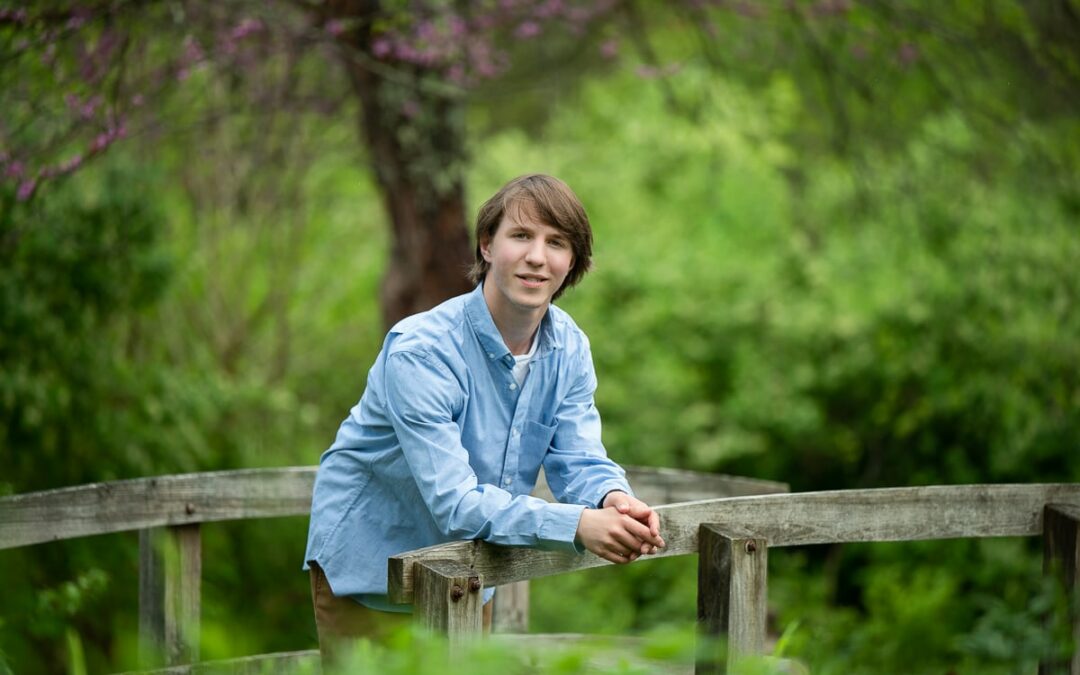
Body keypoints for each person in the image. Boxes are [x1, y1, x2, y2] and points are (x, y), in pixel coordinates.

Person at [303, 174, 665, 660]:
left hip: (470, 573)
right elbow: (455, 502)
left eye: (556, 242)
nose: (537, 256)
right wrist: (577, 525)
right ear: (487, 245)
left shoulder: (569, 347)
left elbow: (577, 456)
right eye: (521, 236)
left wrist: (613, 498)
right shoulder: (422, 352)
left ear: (573, 261)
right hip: (372, 571)